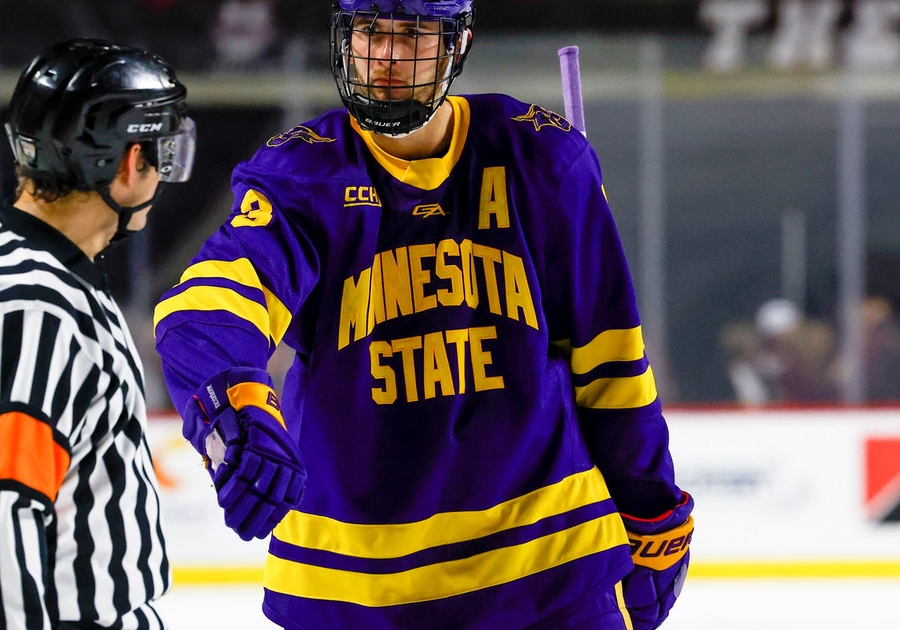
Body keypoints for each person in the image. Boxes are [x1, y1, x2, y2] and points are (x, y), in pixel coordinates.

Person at [153, 2, 692, 628]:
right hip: (351, 591)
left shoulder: (542, 157)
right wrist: (236, 396)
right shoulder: (302, 176)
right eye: (369, 32)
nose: (384, 55)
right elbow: (208, 304)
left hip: (549, 571)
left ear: (456, 46)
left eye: (411, 33)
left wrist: (653, 509)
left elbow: (611, 362)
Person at [0, 38, 196, 629]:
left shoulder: (40, 279)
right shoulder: (31, 310)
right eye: (161, 151)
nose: (163, 171)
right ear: (130, 163)